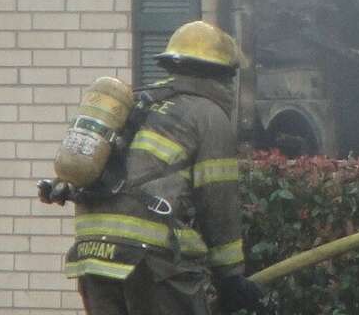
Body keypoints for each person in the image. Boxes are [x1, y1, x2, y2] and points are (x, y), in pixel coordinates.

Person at [64, 20, 264, 315]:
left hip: (92, 254)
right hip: (150, 260)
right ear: (221, 74)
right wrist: (230, 277)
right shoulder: (208, 115)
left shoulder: (139, 102)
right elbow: (218, 203)